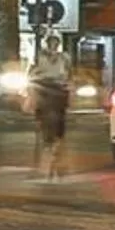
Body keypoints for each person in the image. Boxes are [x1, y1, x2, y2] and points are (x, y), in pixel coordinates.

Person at [31, 30, 74, 179]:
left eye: (55, 43)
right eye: (51, 42)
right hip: (44, 88)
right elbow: (33, 73)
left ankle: (57, 154)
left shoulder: (64, 58)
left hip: (59, 90)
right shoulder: (40, 57)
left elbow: (69, 75)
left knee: (60, 124)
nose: (53, 45)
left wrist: (68, 86)